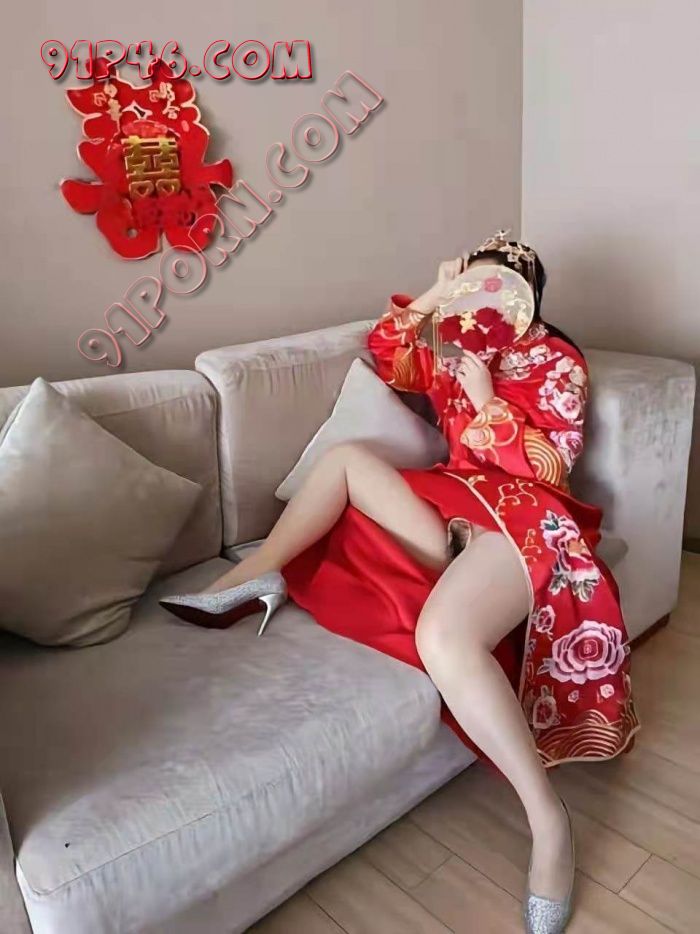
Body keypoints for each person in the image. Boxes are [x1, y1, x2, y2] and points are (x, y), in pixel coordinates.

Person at [161, 230, 639, 933]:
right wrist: (438, 293)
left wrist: (486, 402)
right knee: (346, 462)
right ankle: (252, 575)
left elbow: (552, 467)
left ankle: (549, 824)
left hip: (525, 519)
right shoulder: (454, 338)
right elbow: (389, 350)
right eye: (473, 284)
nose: (482, 298)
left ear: (528, 298)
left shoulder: (555, 360)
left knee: (443, 637)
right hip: (450, 505)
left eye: (497, 287)